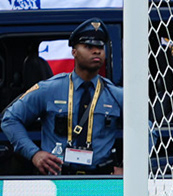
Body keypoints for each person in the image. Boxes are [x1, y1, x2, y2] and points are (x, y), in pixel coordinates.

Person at [2, 21, 123, 176]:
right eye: (88, 47)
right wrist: (34, 153)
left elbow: (146, 128)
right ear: (74, 52)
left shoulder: (116, 94)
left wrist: (131, 168)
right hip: (57, 179)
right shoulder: (49, 89)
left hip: (101, 180)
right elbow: (10, 119)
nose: (96, 51)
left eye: (100, 47)